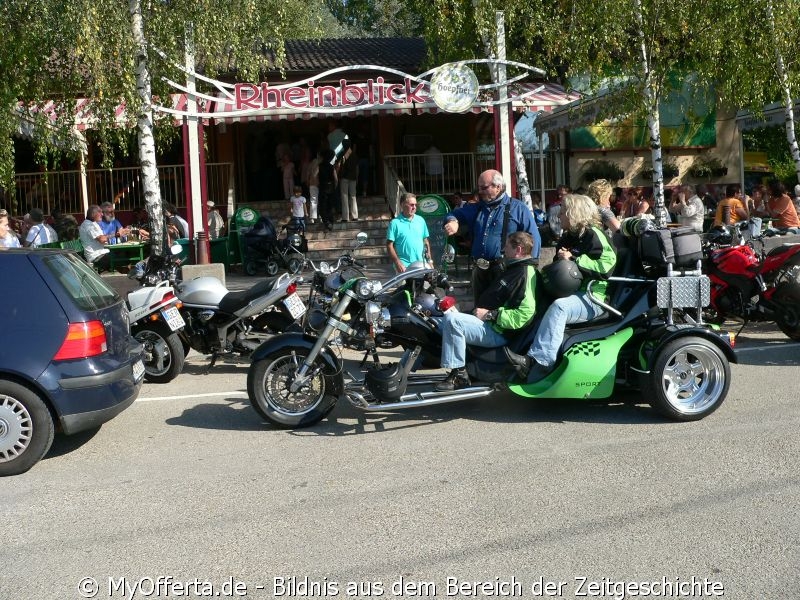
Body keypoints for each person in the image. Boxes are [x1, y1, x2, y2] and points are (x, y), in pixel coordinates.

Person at [506, 194, 617, 382]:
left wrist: (574, 259)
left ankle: (539, 362)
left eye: (564, 211)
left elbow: (607, 266)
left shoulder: (594, 235)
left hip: (593, 297)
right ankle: (519, 351)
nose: (560, 216)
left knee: (560, 307)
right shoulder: (568, 237)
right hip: (571, 293)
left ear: (575, 213)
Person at [435, 232, 541, 391]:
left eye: (507, 245)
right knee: (436, 320)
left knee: (453, 321)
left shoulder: (526, 273)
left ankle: (459, 375)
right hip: (488, 323)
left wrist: (490, 314)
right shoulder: (514, 268)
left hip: (497, 331)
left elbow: (524, 315)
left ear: (518, 249)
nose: (503, 249)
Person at [442, 169, 540, 304]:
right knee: (479, 309)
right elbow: (454, 214)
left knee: (500, 309)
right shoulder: (477, 207)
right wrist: (453, 221)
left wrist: (528, 270)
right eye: (479, 187)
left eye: (484, 187)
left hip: (504, 270)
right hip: (479, 270)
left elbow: (534, 239)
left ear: (498, 187)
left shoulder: (518, 208)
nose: (480, 191)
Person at [386, 193, 431, 273]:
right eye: (411, 205)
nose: (414, 207)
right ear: (402, 205)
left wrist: (430, 261)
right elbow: (389, 246)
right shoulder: (395, 223)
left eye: (415, 205)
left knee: (425, 286)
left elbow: (425, 241)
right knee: (404, 286)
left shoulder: (420, 220)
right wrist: (397, 262)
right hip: (404, 267)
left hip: (422, 265)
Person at [79, 205, 111, 271]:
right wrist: (116, 234)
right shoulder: (88, 225)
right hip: (95, 256)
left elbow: (103, 238)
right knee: (119, 256)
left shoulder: (93, 223)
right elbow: (102, 239)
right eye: (100, 212)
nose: (102, 214)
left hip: (101, 253)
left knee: (121, 253)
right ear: (93, 214)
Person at [338, 139, 359, 222]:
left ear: (343, 145)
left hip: (344, 177)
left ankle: (345, 217)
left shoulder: (343, 154)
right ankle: (355, 216)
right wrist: (357, 177)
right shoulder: (354, 154)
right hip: (353, 178)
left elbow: (340, 165)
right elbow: (357, 168)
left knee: (344, 197)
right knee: (353, 197)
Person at [317, 149, 337, 231]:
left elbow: (316, 177)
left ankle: (326, 222)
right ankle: (330, 222)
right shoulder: (331, 166)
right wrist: (335, 187)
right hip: (330, 187)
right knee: (329, 205)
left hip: (322, 187)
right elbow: (335, 179)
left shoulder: (319, 166)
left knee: (322, 206)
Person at [307, 151, 320, 224]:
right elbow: (315, 173)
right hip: (317, 184)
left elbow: (308, 172)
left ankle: (313, 217)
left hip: (312, 183)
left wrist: (308, 180)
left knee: (313, 200)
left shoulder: (312, 162)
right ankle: (316, 217)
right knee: (317, 200)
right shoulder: (319, 163)